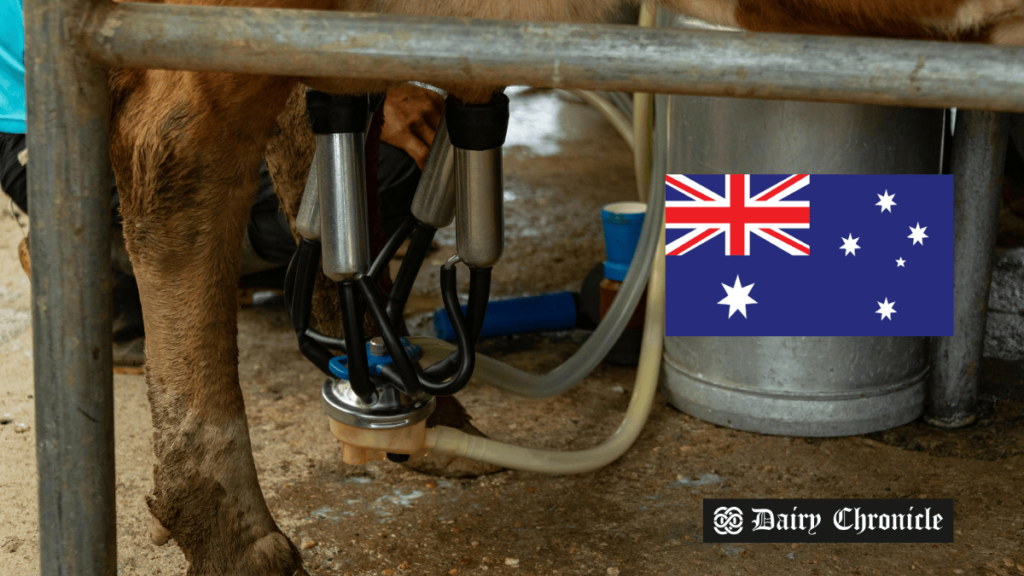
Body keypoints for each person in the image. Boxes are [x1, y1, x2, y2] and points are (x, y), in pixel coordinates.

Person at [1, 0, 444, 366]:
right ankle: (90, 256)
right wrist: (363, 86)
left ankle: (247, 272)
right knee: (366, 171)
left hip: (163, 82)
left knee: (406, 166)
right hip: (55, 128)